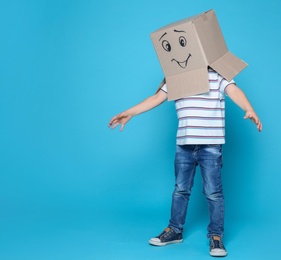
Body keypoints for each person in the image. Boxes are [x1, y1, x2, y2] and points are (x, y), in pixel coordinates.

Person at [108, 68, 262, 257]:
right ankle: (175, 230)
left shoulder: (217, 75)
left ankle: (216, 235)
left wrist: (249, 108)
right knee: (180, 189)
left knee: (213, 192)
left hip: (211, 145)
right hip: (184, 145)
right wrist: (129, 112)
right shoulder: (176, 77)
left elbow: (234, 91)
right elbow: (155, 98)